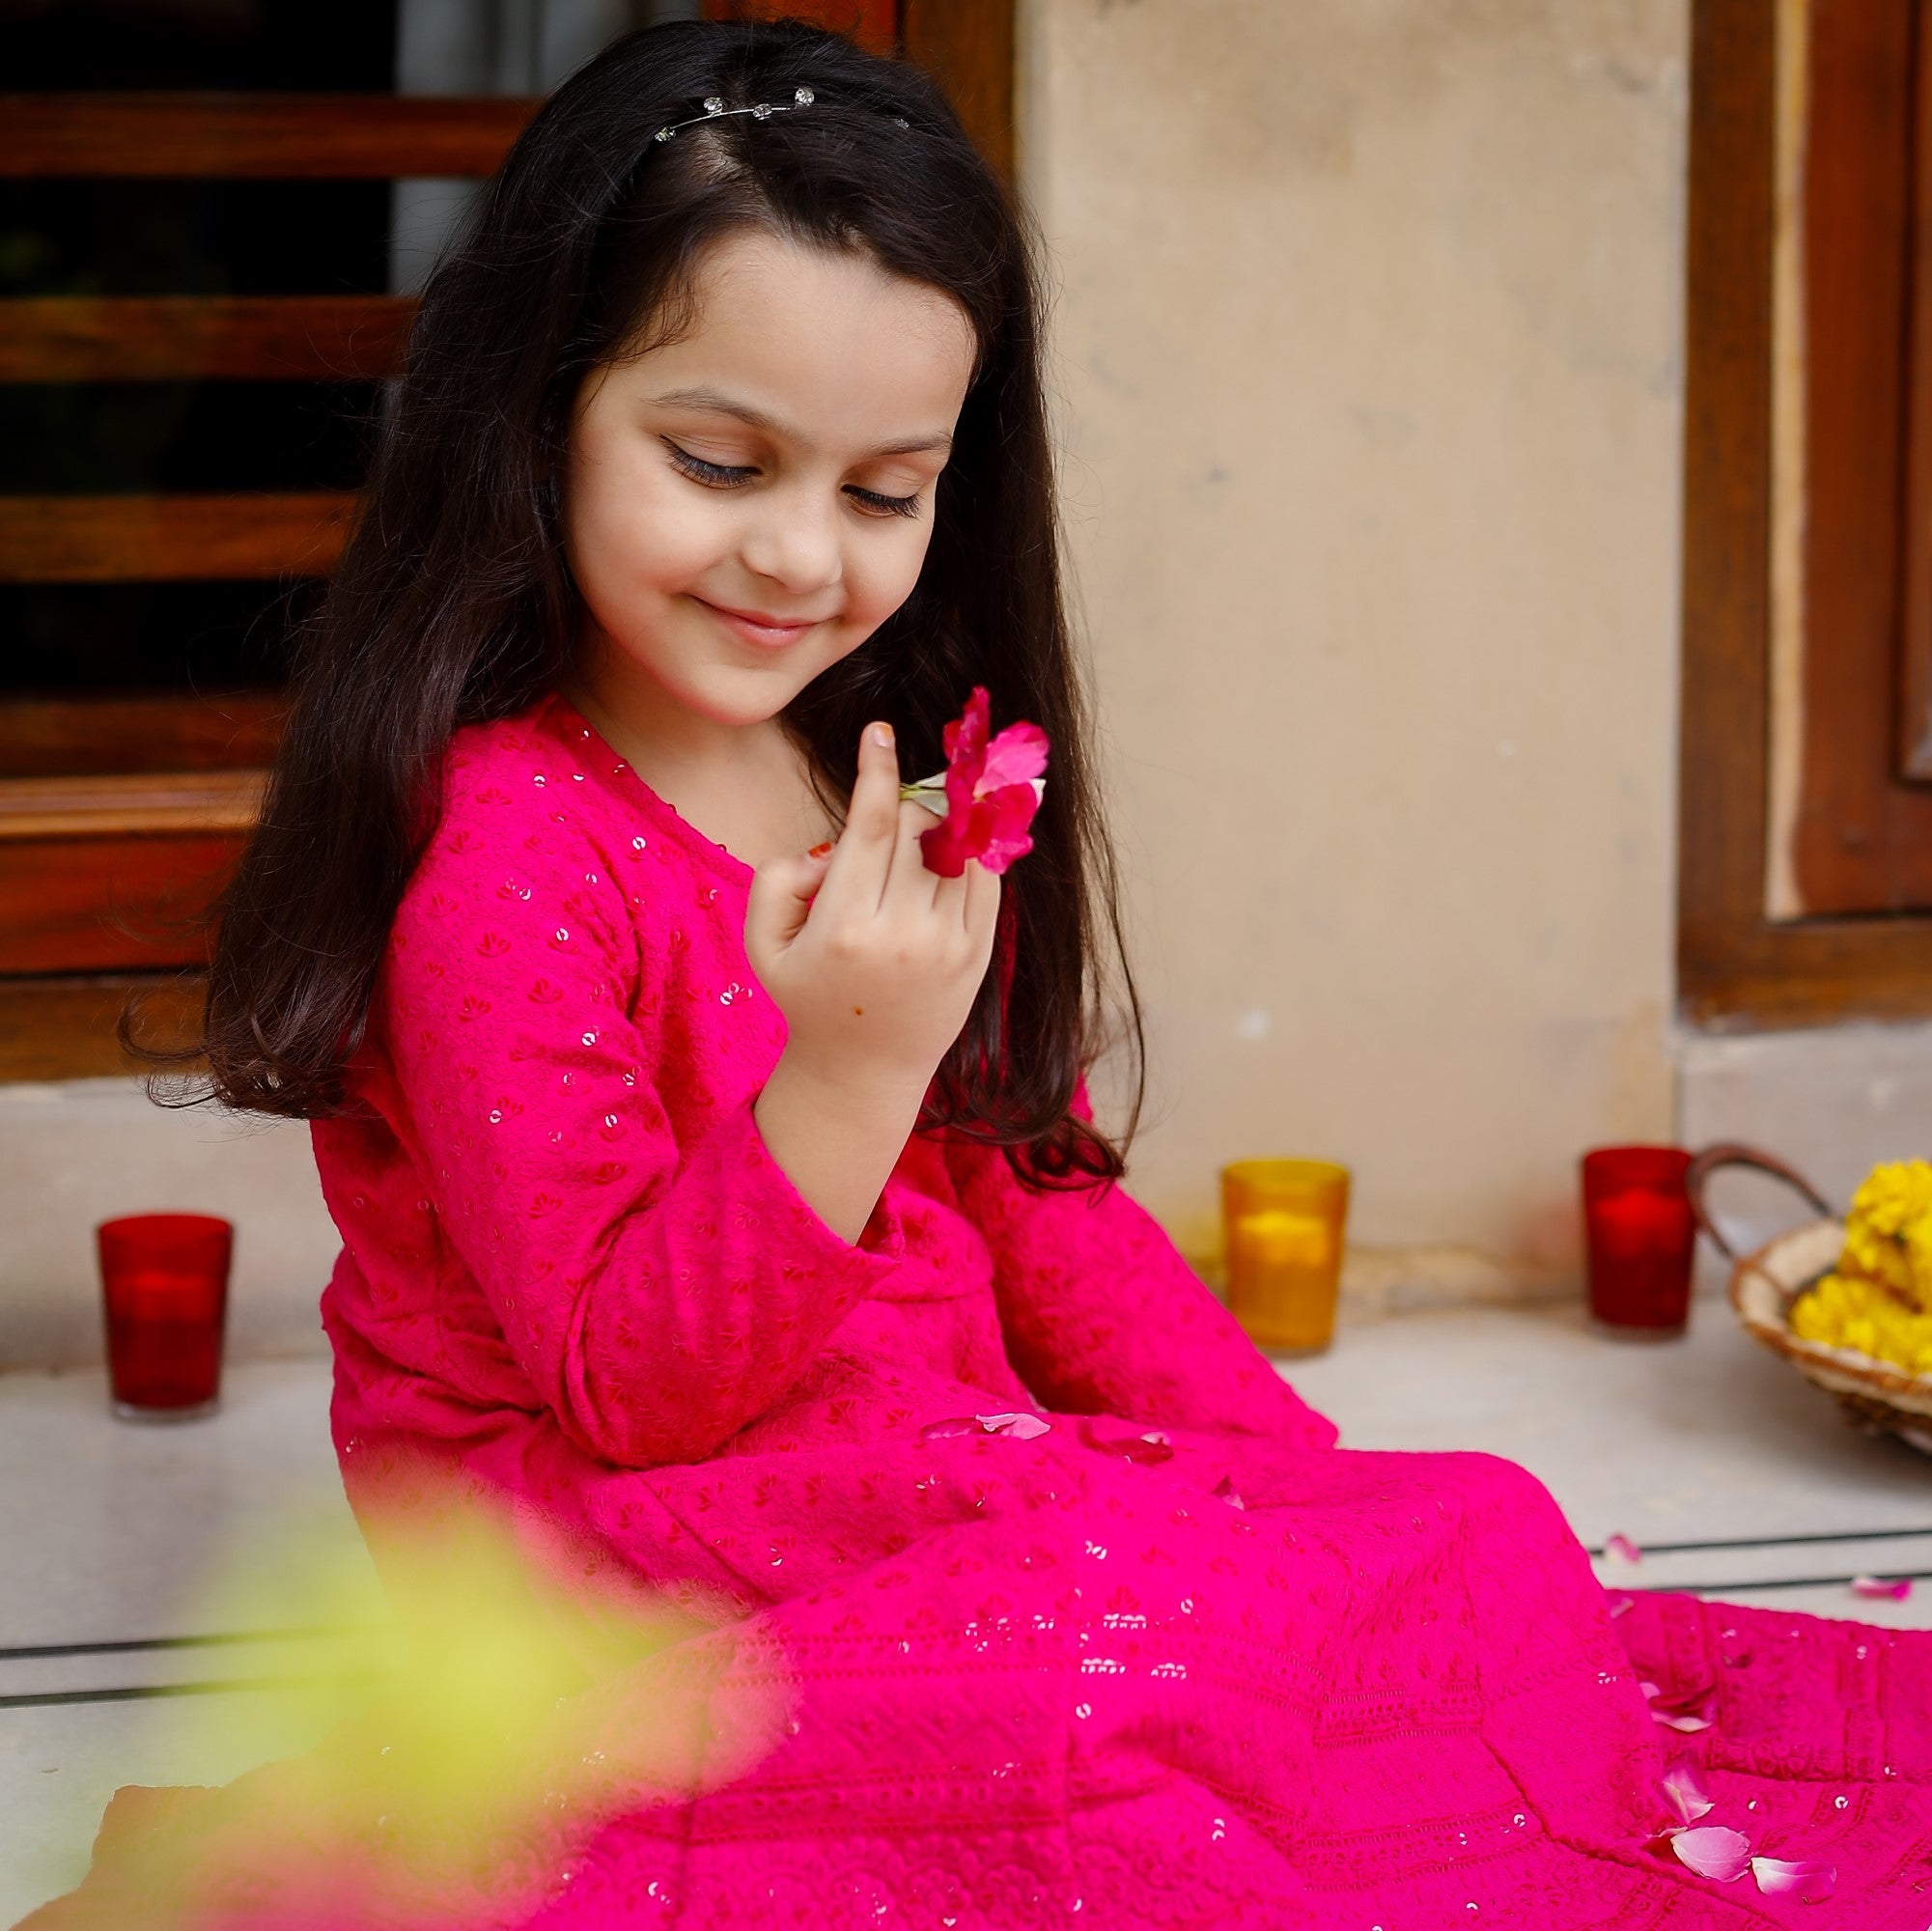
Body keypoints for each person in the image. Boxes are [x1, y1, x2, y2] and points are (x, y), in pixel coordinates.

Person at [27, 18, 1932, 1929]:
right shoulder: (505, 855)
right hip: (617, 1558)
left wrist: (1309, 1508)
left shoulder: (871, 764)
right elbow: (627, 1388)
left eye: (881, 490)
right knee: (1101, 1764)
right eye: (715, 459)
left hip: (882, 1477)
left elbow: (1039, 1203)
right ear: (536, 413)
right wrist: (841, 1073)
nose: (792, 555)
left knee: (1458, 1548)